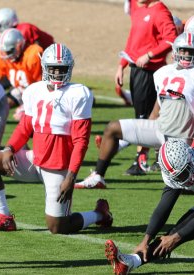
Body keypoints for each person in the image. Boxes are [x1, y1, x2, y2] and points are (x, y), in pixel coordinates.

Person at [0, 44, 113, 234]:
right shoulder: (34, 90)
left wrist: (71, 176)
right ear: (44, 67)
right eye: (53, 68)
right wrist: (9, 149)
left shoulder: (79, 93)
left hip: (59, 167)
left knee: (58, 227)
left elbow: (81, 140)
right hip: (35, 159)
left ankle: (99, 214)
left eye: (62, 69)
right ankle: (4, 218)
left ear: (70, 68)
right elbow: (25, 126)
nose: (57, 73)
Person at [76, 32, 194, 189]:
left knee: (179, 186)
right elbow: (159, 105)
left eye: (190, 51)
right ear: (175, 51)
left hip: (183, 137)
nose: (186, 55)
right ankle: (98, 176)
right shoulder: (162, 73)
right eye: (183, 50)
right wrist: (147, 139)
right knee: (113, 128)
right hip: (161, 128)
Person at [105, 139, 194, 275]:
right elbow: (165, 205)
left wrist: (176, 237)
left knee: (178, 234)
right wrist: (146, 239)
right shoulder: (179, 169)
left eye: (184, 173)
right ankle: (131, 262)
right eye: (178, 176)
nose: (183, 179)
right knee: (176, 232)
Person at [114, 0, 177, 176]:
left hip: (149, 72)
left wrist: (149, 55)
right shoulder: (138, 7)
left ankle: (140, 160)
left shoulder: (160, 11)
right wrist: (122, 65)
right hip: (136, 69)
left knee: (144, 118)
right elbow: (133, 40)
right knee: (145, 116)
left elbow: (171, 39)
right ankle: (154, 157)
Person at [0, 28, 43, 120]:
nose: (6, 54)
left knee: (24, 115)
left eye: (9, 51)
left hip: (37, 92)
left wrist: (27, 106)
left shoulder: (32, 55)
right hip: (20, 90)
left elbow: (43, 87)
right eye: (4, 51)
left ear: (20, 45)